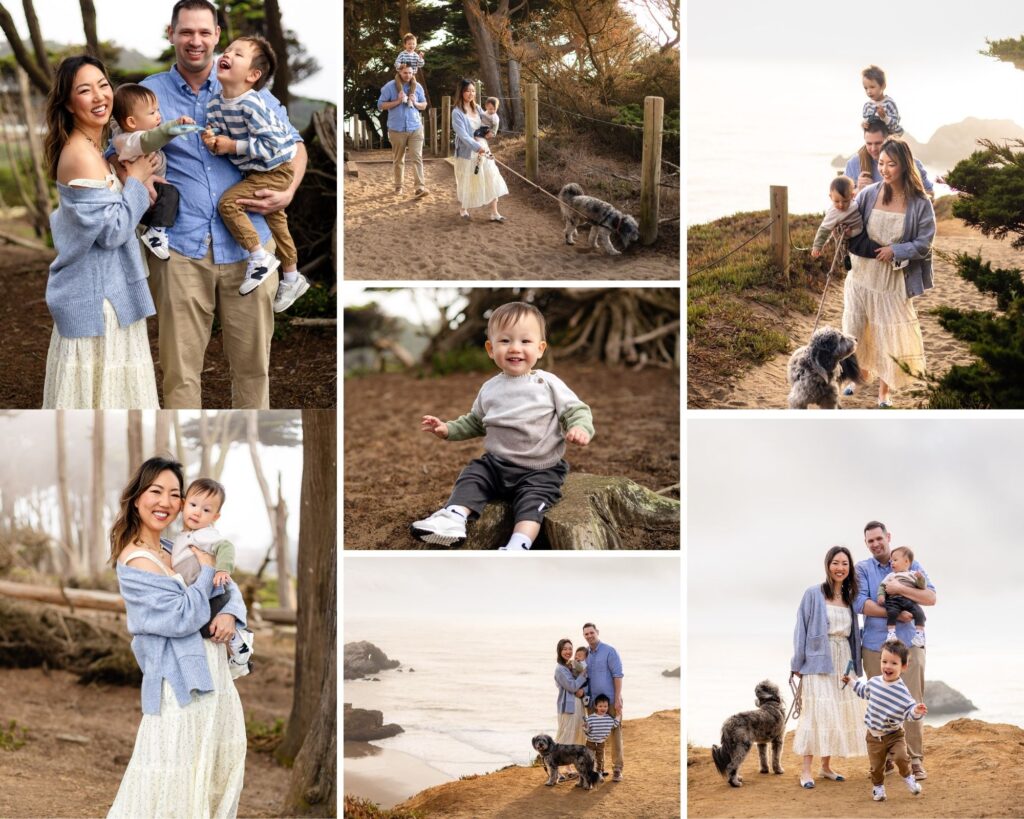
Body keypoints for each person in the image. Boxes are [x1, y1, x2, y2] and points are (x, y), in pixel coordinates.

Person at [140, 0, 308, 409]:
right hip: (180, 248)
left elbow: (295, 146)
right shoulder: (151, 92)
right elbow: (125, 148)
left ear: (217, 35)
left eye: (204, 33)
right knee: (179, 372)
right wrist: (142, 178)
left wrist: (288, 192)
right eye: (186, 32)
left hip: (251, 248)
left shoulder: (252, 91)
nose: (195, 41)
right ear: (171, 34)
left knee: (253, 369)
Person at [108, 457, 248, 816]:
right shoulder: (136, 562)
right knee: (175, 770)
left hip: (212, 670)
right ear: (138, 498)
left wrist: (231, 613)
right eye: (156, 491)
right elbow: (181, 616)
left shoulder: (175, 548)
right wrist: (205, 572)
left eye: (174, 494)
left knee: (214, 763)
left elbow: (227, 585)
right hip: (178, 682)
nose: (166, 502)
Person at [411, 301, 594, 551]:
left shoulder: (546, 382)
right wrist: (448, 429)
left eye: (525, 342)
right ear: (490, 348)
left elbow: (576, 410)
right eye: (505, 341)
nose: (515, 348)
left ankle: (518, 545)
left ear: (540, 349)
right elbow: (476, 421)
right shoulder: (490, 388)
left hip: (540, 470)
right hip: (497, 465)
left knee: (533, 503)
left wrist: (580, 428)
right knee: (473, 475)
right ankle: (453, 517)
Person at [41, 55, 160, 410]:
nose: (99, 96)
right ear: (67, 102)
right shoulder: (80, 155)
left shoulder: (97, 150)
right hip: (98, 304)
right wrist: (136, 182)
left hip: (109, 294)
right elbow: (113, 232)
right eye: (84, 90)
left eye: (103, 85)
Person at [203, 36, 309, 306]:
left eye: (238, 54)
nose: (227, 54)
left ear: (253, 75)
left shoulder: (253, 104)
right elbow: (218, 134)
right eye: (227, 50)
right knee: (277, 221)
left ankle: (259, 258)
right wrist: (212, 140)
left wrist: (231, 146)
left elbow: (272, 146)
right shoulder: (215, 103)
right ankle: (292, 276)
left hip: (277, 167)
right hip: (259, 171)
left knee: (228, 203)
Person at [842, 138, 934, 407]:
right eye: (881, 163)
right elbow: (850, 219)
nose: (884, 169)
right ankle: (855, 376)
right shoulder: (869, 193)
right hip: (860, 277)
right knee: (854, 329)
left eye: (891, 164)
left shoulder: (919, 203)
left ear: (905, 166)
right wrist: (843, 228)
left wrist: (897, 250)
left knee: (887, 336)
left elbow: (924, 242)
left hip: (892, 282)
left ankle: (884, 392)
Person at [854, 521, 935, 781]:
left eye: (879, 538)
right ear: (866, 543)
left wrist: (899, 589)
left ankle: (915, 760)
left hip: (909, 644)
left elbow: (931, 598)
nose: (876, 544)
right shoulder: (863, 569)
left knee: (913, 699)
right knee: (878, 702)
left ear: (888, 537)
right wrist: (897, 614)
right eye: (870, 541)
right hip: (875, 645)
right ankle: (885, 759)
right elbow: (861, 604)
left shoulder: (911, 563)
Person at [790, 545, 867, 789]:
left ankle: (825, 767)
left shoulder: (850, 598)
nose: (840, 568)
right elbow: (800, 628)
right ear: (827, 565)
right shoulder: (813, 593)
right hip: (817, 661)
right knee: (816, 712)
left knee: (835, 713)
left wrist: (856, 665)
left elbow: (853, 634)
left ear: (849, 567)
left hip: (843, 660)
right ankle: (805, 770)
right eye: (836, 563)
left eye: (845, 563)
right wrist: (797, 663)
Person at [169, 477, 254, 676]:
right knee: (207, 630)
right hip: (197, 593)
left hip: (212, 593)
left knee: (210, 627)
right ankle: (239, 656)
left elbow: (226, 547)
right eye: (193, 505)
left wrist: (223, 568)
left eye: (206, 510)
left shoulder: (205, 534)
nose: (197, 512)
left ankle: (241, 642)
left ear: (216, 516)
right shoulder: (181, 537)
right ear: (183, 505)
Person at [111, 83, 197, 260]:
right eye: (152, 113)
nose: (159, 116)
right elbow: (151, 140)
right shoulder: (129, 139)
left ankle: (154, 230)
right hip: (142, 189)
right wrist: (174, 127)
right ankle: (156, 233)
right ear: (131, 122)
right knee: (170, 193)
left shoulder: (135, 134)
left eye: (158, 110)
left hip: (147, 191)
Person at [842, 640, 927, 802]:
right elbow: (863, 691)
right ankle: (878, 788)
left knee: (902, 758)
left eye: (893, 663)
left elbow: (909, 711)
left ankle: (909, 778)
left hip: (894, 734)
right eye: (884, 661)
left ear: (903, 667)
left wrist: (916, 711)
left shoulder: (901, 691)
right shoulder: (874, 682)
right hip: (874, 736)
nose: (887, 666)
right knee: (876, 767)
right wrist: (851, 682)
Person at [451, 78, 509, 222]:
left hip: (484, 148)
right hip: (467, 151)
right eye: (467, 91)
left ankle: (494, 213)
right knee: (468, 180)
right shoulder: (456, 112)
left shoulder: (477, 108)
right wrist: (477, 147)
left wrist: (491, 132)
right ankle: (464, 208)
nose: (470, 94)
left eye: (473, 91)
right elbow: (463, 135)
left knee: (491, 175)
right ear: (461, 93)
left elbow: (487, 122)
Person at [377, 64, 429, 196]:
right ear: (399, 71)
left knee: (417, 158)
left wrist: (416, 103)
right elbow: (380, 105)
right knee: (399, 159)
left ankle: (420, 188)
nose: (408, 75)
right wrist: (398, 101)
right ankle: (399, 187)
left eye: (410, 73)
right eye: (405, 73)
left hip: (415, 127)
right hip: (396, 129)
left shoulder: (418, 87)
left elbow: (424, 105)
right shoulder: (389, 87)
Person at [845, 118, 933, 195]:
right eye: (869, 143)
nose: (873, 149)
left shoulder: (911, 163)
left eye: (878, 143)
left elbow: (930, 193)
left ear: (888, 139)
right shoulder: (854, 164)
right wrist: (859, 190)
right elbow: (842, 200)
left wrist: (905, 193)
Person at [582, 622, 624, 781]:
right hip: (592, 703)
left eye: (591, 632)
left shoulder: (609, 651)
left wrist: (618, 698)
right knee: (594, 737)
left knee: (615, 735)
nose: (589, 636)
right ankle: (598, 769)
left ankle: (618, 769)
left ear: (597, 632)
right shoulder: (585, 654)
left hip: (611, 702)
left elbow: (618, 675)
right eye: (586, 634)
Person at [810, 175, 884, 262]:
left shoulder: (854, 201)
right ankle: (893, 256)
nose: (841, 205)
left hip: (863, 230)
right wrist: (817, 247)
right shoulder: (833, 213)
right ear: (831, 197)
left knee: (878, 240)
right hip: (854, 239)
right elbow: (824, 229)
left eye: (845, 201)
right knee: (874, 249)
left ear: (852, 196)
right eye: (836, 201)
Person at [876, 546, 927, 647]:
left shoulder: (912, 574)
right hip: (894, 600)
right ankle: (891, 633)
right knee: (892, 612)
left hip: (908, 600)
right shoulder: (891, 575)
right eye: (891, 561)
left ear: (906, 561)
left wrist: (920, 578)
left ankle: (919, 635)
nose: (892, 563)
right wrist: (881, 595)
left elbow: (922, 587)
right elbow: (882, 586)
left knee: (919, 613)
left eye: (895, 560)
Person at [553, 638, 588, 782]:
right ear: (559, 651)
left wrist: (583, 689)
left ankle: (568, 768)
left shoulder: (571, 665)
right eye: (565, 649)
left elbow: (582, 686)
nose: (568, 651)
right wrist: (584, 673)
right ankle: (555, 770)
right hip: (567, 708)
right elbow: (573, 686)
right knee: (564, 739)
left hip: (578, 706)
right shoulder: (560, 669)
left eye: (570, 649)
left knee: (575, 738)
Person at [583, 694, 622, 779]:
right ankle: (588, 773)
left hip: (601, 743)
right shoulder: (591, 718)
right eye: (600, 706)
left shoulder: (608, 719)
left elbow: (615, 724)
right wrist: (585, 728)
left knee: (600, 759)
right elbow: (586, 731)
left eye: (605, 706)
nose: (603, 708)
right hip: (590, 742)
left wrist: (618, 715)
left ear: (608, 707)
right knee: (589, 758)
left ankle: (599, 773)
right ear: (595, 706)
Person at [860, 65, 902, 136]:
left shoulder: (889, 103)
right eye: (866, 88)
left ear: (883, 86)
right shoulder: (867, 106)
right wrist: (864, 125)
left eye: (872, 87)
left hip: (889, 138)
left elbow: (894, 126)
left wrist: (884, 117)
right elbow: (868, 126)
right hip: (875, 139)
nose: (869, 91)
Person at [393, 33, 425, 107]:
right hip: (401, 73)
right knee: (397, 79)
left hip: (411, 74)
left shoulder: (416, 55)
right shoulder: (402, 54)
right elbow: (396, 63)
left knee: (414, 83)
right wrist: (400, 65)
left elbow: (420, 65)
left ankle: (410, 98)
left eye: (413, 44)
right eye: (409, 44)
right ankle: (402, 94)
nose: (411, 46)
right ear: (405, 45)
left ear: (416, 45)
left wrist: (420, 59)